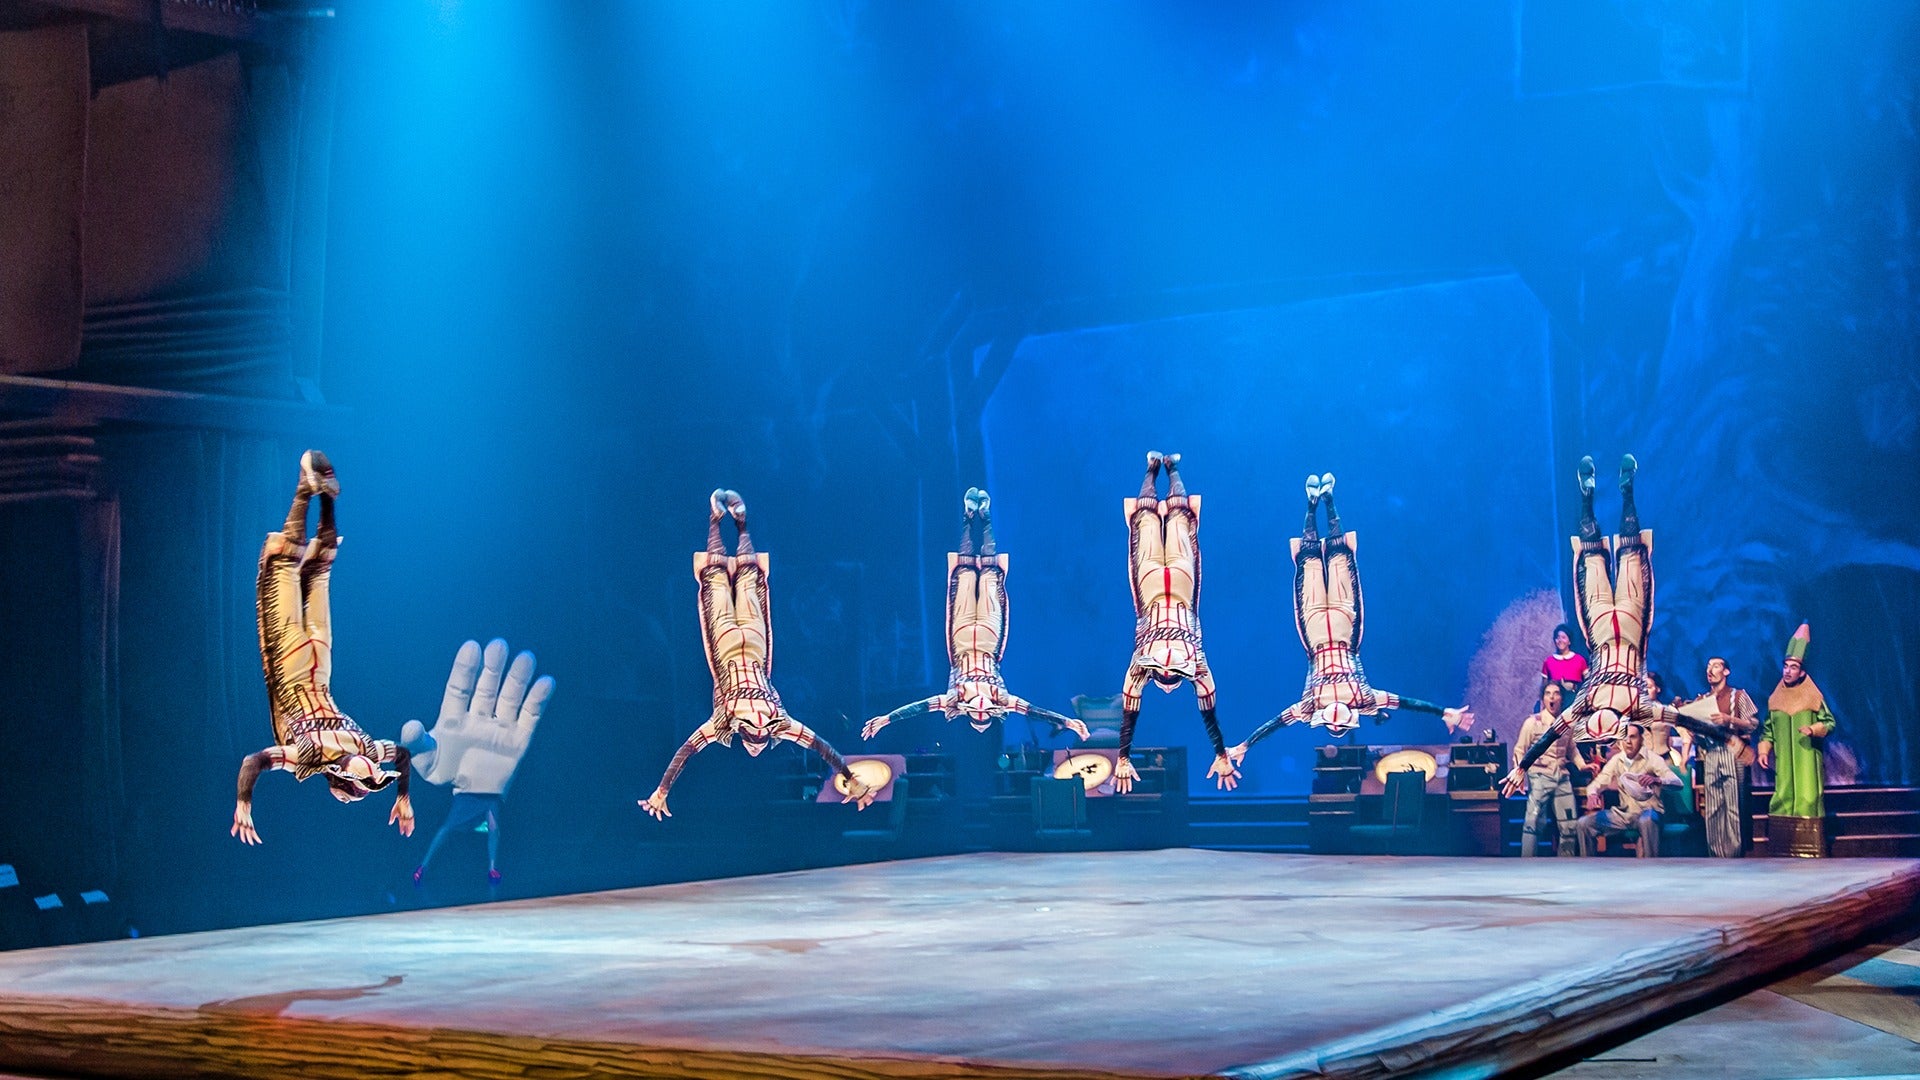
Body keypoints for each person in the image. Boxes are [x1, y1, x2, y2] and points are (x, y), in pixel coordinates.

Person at [1501, 455, 1727, 796]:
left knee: (1603, 555)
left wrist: (1521, 765)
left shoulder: (1595, 701)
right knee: (1621, 554)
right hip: (1621, 625)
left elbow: (1550, 735)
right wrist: (1725, 735)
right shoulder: (1626, 704)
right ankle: (1616, 493)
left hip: (1609, 629)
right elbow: (1682, 720)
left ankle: (1599, 495)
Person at [640, 490, 874, 820]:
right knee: (731, 584)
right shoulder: (773, 723)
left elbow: (687, 752)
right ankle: (731, 522)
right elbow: (823, 748)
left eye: (754, 741)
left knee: (727, 584)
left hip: (739, 646)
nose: (756, 738)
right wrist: (850, 777)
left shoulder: (736, 722)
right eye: (757, 742)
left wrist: (662, 790)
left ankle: (728, 521)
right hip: (744, 647)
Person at [231, 451, 412, 845]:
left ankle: (320, 494)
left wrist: (403, 796)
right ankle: (312, 491)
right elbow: (254, 761)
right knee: (295, 570)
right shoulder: (334, 752)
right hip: (302, 663)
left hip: (312, 661)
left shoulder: (339, 751)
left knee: (307, 572)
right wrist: (243, 803)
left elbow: (400, 754)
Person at [1228, 473, 1472, 763]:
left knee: (1310, 564)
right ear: (1348, 720)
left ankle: (1311, 505)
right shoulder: (1364, 699)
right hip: (1344, 628)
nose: (1334, 720)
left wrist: (1244, 745)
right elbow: (1405, 702)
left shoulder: (1309, 706)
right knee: (1339, 559)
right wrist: (1444, 712)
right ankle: (1328, 500)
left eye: (1332, 725)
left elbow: (1276, 723)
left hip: (1316, 631)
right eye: (1339, 725)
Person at [864, 489, 1089, 742]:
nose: (982, 708)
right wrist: (1067, 722)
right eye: (986, 714)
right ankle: (986, 517)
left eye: (977, 714)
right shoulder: (1000, 700)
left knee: (966, 575)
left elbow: (918, 707)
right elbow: (1035, 711)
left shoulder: (955, 698)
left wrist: (886, 719)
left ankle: (969, 517)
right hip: (988, 639)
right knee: (991, 577)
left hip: (961, 637)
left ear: (969, 712)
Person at [1115, 452, 1237, 794]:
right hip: (1178, 588)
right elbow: (1209, 713)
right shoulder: (1195, 667)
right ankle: (1171, 468)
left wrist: (1123, 757)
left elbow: (1129, 712)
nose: (1168, 678)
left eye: (1165, 679)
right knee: (1178, 523)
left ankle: (1155, 469)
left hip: (1155, 588)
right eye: (1172, 679)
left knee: (1149, 524)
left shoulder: (1142, 668)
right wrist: (1220, 752)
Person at [404, 639, 555, 885]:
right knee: (448, 828)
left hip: (490, 793)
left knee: (494, 827)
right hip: (468, 791)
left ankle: (493, 868)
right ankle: (424, 865)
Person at [1758, 623, 1836, 857]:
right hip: (1784, 766)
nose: (1788, 671)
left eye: (1794, 667)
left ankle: (1811, 850)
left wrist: (1814, 729)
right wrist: (1764, 749)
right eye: (1786, 666)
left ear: (1802, 671)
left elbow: (1830, 722)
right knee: (1782, 796)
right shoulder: (1775, 699)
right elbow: (1767, 730)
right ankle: (1783, 849)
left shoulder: (1813, 696)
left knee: (1808, 797)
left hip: (1806, 764)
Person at [1685, 655, 1760, 858]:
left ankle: (1734, 852)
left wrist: (1729, 719)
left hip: (1732, 751)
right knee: (1713, 804)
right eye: (1708, 665)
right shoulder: (1702, 700)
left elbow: (1753, 724)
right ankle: (1716, 853)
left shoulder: (1738, 695)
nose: (1710, 669)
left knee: (1734, 803)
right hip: (1711, 752)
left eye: (1716, 666)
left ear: (1726, 671)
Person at [1573, 723, 1682, 857]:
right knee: (1584, 823)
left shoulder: (1653, 759)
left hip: (1648, 812)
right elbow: (1599, 781)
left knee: (1646, 820)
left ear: (1641, 739)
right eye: (1625, 738)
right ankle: (1588, 868)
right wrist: (1593, 793)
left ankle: (1652, 868)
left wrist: (1657, 780)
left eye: (1633, 737)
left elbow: (1678, 783)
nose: (1628, 742)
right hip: (1624, 814)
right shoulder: (1617, 760)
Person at [1511, 682, 1591, 856]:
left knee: (1569, 824)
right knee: (1533, 821)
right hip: (1540, 776)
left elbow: (1571, 749)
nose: (1552, 697)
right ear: (1543, 699)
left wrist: (1582, 765)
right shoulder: (1533, 723)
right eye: (1548, 694)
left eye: (1556, 693)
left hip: (1561, 776)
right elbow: (1519, 750)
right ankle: (1528, 860)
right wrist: (1519, 773)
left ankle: (1566, 861)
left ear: (1562, 698)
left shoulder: (1567, 724)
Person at [1541, 624, 1589, 691]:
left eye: (1563, 637)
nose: (1560, 640)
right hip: (1556, 699)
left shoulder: (1580, 660)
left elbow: (1588, 683)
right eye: (1558, 637)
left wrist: (1574, 686)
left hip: (1576, 699)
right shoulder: (1548, 662)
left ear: (1569, 641)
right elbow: (1544, 687)